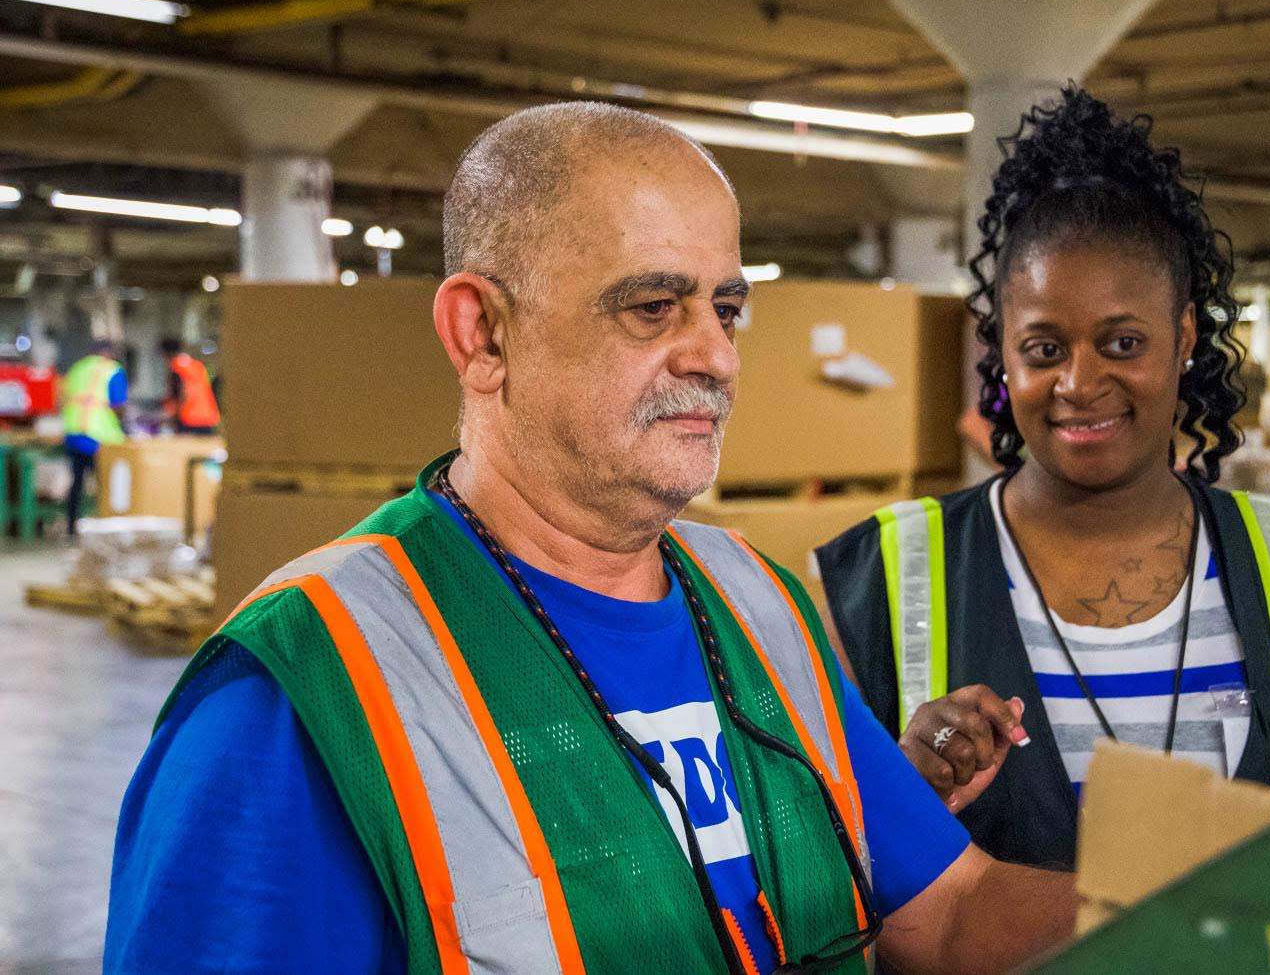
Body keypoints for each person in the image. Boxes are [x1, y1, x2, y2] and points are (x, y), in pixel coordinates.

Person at [105, 102, 1078, 974]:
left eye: (725, 308)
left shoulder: (758, 603)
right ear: (483, 332)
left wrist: (1214, 908)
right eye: (653, 306)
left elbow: (948, 910)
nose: (715, 355)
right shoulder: (302, 693)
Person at [815, 86, 1270, 871]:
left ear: (1182, 336)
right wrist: (901, 788)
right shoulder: (875, 579)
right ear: (1003, 353)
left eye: (1121, 342)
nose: (1079, 382)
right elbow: (824, 877)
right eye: (1044, 349)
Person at [60, 338, 126, 536]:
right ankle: (104, 527)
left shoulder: (77, 369)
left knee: (77, 483)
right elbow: (118, 405)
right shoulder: (112, 369)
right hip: (98, 436)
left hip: (73, 433)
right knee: (106, 484)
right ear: (109, 352)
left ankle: (72, 527)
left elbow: (63, 399)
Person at [160, 336, 220, 434]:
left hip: (189, 418)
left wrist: (174, 416)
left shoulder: (176, 368)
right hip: (208, 417)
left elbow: (183, 393)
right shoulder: (198, 365)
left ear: (165, 353)